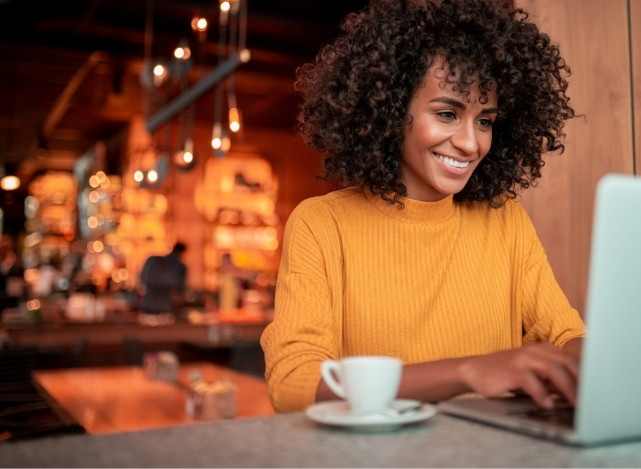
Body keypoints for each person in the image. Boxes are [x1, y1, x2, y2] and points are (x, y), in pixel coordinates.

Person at [260, 0, 585, 413]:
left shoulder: (506, 221)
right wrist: (468, 372)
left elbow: (567, 336)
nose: (471, 143)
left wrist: (583, 358)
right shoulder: (322, 225)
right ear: (392, 110)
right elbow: (293, 385)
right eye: (447, 113)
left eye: (484, 120)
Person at [138, 242, 187, 318]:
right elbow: (179, 290)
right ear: (182, 252)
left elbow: (142, 278)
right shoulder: (180, 267)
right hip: (164, 307)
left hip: (149, 305)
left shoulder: (152, 260)